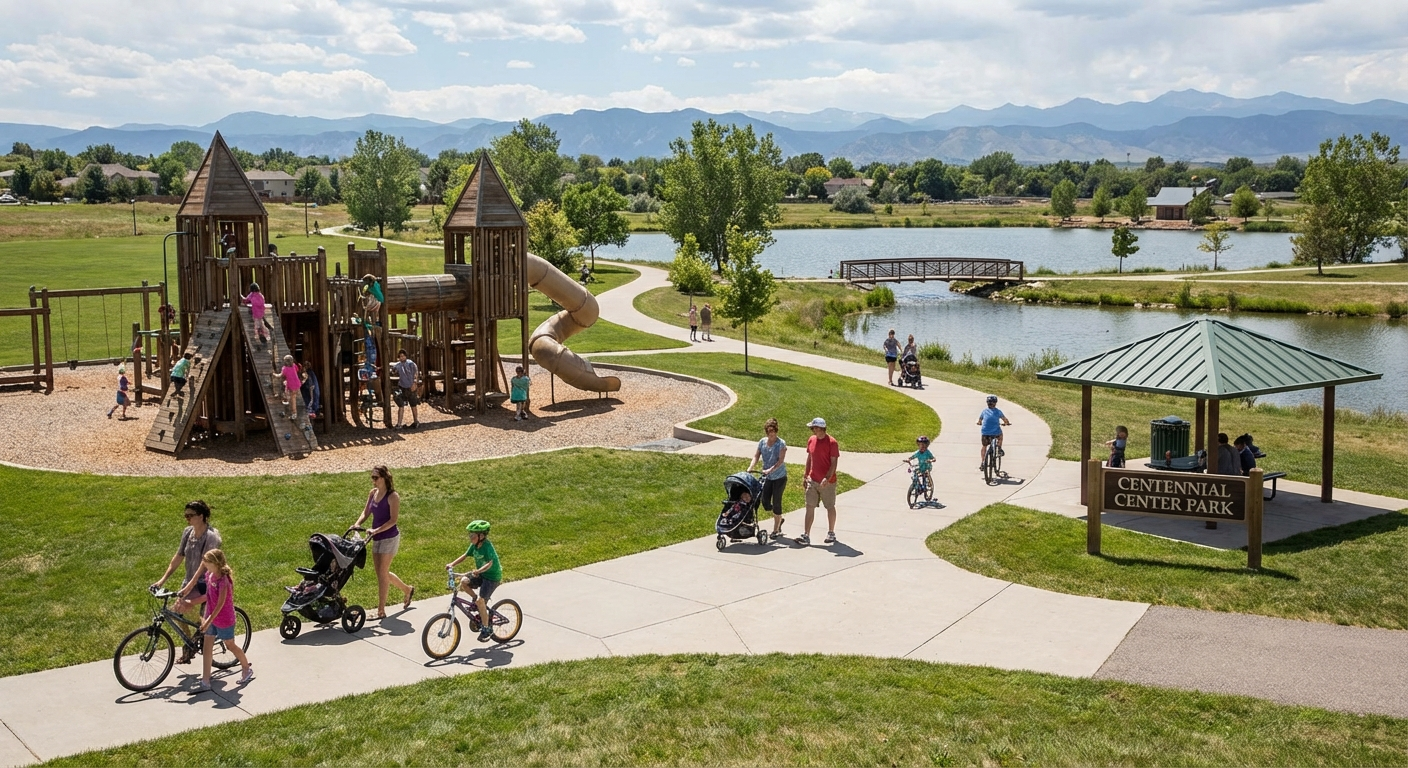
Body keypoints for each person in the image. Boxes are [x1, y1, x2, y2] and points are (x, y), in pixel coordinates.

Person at [152, 500, 221, 664]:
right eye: (185, 515)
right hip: (190, 580)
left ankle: (203, 629)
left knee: (184, 608)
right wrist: (162, 580)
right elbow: (178, 557)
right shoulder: (188, 532)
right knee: (177, 613)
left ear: (201, 516)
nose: (187, 518)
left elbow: (205, 565)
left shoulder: (211, 537)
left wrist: (190, 585)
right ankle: (191, 644)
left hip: (206, 582)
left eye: (190, 515)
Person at [352, 465, 413, 619]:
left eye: (375, 477)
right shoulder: (373, 493)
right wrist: (357, 523)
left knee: (382, 573)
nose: (373, 481)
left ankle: (381, 611)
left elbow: (393, 520)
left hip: (389, 537)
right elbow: (366, 512)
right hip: (376, 537)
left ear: (384, 478)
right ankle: (407, 590)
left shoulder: (393, 497)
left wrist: (376, 530)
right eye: (372, 477)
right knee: (381, 573)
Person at [193, 548, 253, 693]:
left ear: (216, 563)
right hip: (211, 616)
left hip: (224, 618)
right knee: (207, 646)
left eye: (207, 563)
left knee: (230, 645)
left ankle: (246, 668)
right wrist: (204, 615)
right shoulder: (209, 575)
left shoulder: (224, 581)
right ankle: (205, 681)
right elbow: (209, 597)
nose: (205, 566)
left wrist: (207, 621)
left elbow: (220, 604)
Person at [446, 520, 502, 643]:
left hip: (492, 577)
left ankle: (487, 629)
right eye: (470, 535)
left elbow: (490, 563)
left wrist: (478, 571)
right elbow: (465, 555)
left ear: (481, 536)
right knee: (464, 582)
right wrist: (452, 564)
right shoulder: (474, 546)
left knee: (480, 602)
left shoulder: (487, 546)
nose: (470, 538)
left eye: (473, 535)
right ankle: (476, 600)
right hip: (481, 574)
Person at [799, 417, 840, 547]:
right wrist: (806, 475)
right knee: (809, 506)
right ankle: (806, 535)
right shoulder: (811, 440)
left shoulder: (832, 443)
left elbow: (834, 463)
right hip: (813, 479)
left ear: (819, 428)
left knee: (829, 506)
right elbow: (809, 458)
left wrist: (827, 478)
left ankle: (831, 532)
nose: (812, 430)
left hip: (828, 482)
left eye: (813, 428)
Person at [746, 417, 788, 538]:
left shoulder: (781, 444)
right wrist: (751, 467)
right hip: (768, 477)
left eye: (773, 431)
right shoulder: (762, 442)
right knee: (764, 501)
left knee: (776, 502)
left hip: (779, 477)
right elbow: (756, 456)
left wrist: (770, 470)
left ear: (776, 431)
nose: (772, 434)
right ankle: (779, 518)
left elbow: (780, 461)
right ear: (766, 431)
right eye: (769, 431)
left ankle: (775, 529)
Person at [976, 395, 1011, 471]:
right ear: (995, 403)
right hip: (996, 432)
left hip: (985, 432)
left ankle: (982, 462)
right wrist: (1006, 423)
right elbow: (1005, 419)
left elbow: (980, 420)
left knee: (984, 446)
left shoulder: (984, 411)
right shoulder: (998, 411)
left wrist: (979, 423)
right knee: (1000, 436)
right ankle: (998, 449)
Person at [390, 350, 420, 429]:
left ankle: (416, 421)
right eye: (400, 356)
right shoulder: (398, 365)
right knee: (401, 405)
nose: (402, 357)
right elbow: (393, 370)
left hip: (410, 386)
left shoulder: (410, 364)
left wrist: (414, 383)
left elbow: (416, 373)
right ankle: (399, 423)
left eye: (403, 356)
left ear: (406, 356)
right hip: (402, 387)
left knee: (413, 405)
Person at [241, 282, 269, 346]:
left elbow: (246, 300)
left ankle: (259, 337)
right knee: (261, 324)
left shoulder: (252, 295)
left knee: (257, 325)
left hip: (256, 313)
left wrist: (242, 298)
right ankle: (265, 334)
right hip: (261, 313)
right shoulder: (261, 295)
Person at [280, 355, 301, 419]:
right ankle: (294, 412)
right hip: (297, 384)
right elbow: (297, 370)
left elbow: (281, 375)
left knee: (291, 398)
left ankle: (293, 413)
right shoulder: (294, 365)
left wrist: (274, 374)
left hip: (291, 385)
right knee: (293, 397)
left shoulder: (284, 368)